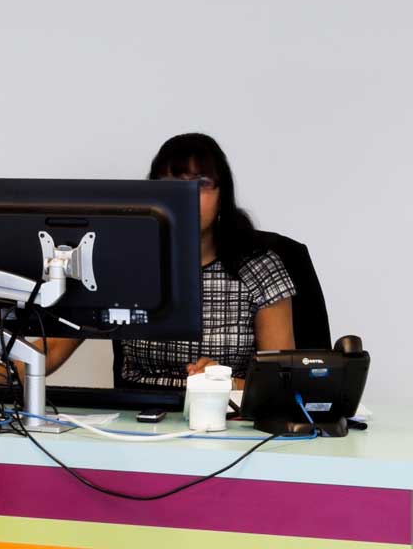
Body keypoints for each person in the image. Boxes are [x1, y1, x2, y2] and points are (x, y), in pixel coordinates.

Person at [44, 131, 298, 393]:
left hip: (223, 413)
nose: (185, 197)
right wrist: (1, 378)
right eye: (171, 185)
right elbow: (50, 350)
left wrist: (225, 382)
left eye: (200, 184)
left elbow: (280, 383)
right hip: (138, 418)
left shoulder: (259, 267)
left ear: (222, 195)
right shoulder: (126, 264)